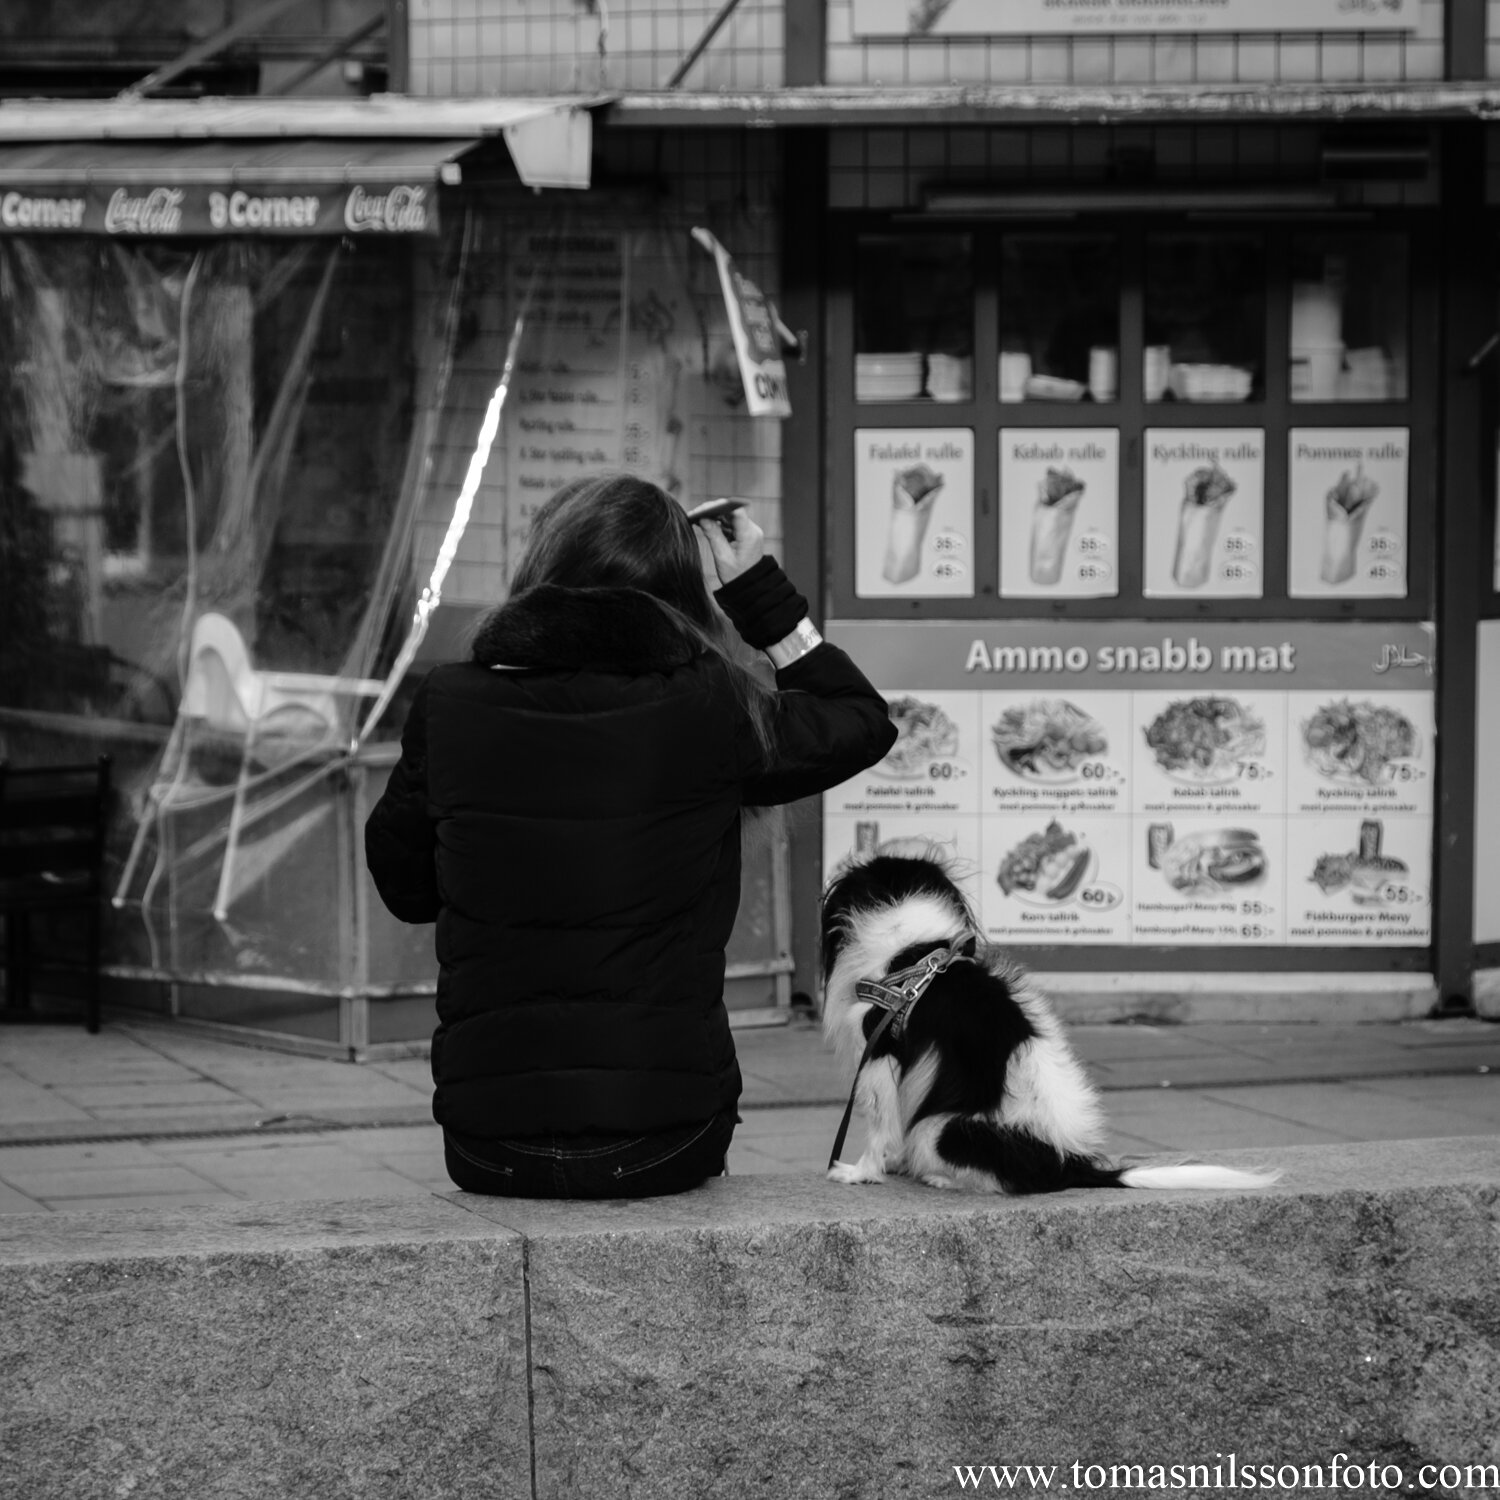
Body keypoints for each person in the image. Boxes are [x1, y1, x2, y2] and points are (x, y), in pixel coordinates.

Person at [364, 473, 897, 1199]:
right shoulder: (710, 705)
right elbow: (861, 719)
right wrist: (756, 591)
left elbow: (406, 887)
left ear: (541, 570)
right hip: (660, 1138)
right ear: (680, 590)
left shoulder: (452, 702)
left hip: (488, 1145)